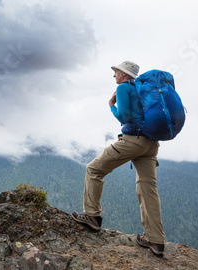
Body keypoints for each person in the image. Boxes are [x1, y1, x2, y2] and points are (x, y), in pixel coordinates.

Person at [71, 61, 166, 256]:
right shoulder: (141, 88)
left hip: (133, 141)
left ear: (124, 74)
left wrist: (111, 105)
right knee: (148, 187)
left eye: (116, 72)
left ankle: (92, 217)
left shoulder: (123, 88)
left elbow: (123, 116)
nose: (114, 75)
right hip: (151, 144)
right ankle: (156, 241)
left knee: (94, 169)